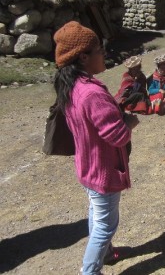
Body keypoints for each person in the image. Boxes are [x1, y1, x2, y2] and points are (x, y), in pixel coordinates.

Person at [53, 21, 139, 275]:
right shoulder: (91, 93)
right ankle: (89, 271)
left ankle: (107, 253)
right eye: (100, 50)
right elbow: (118, 137)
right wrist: (130, 122)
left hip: (87, 166)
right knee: (105, 225)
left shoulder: (73, 87)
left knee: (96, 214)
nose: (104, 54)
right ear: (83, 57)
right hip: (103, 171)